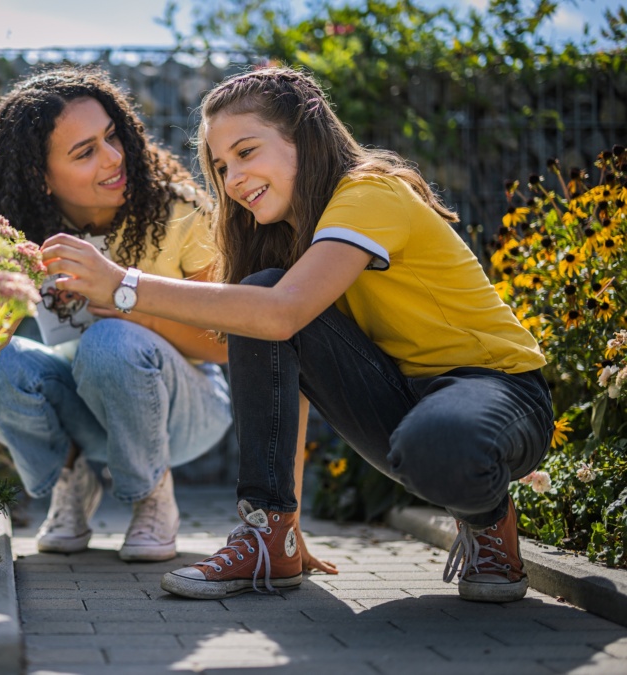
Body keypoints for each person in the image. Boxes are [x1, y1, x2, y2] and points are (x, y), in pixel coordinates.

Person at [39, 66, 553, 602]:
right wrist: (289, 520)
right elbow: (283, 368)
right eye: (219, 166)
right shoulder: (286, 235)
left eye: (246, 152)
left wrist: (124, 286)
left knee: (434, 440)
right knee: (256, 296)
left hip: (498, 391)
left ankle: (492, 525)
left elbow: (283, 312)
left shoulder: (370, 192)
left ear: (303, 139)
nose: (232, 179)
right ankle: (268, 533)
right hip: (399, 398)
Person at [0, 67, 234, 562]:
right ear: (39, 177)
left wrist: (126, 302)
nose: (114, 158)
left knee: (111, 339)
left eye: (111, 136)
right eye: (85, 152)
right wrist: (0, 286)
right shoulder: (22, 231)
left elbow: (225, 343)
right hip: (87, 407)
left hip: (188, 408)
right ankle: (72, 475)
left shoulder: (178, 211)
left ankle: (154, 493)